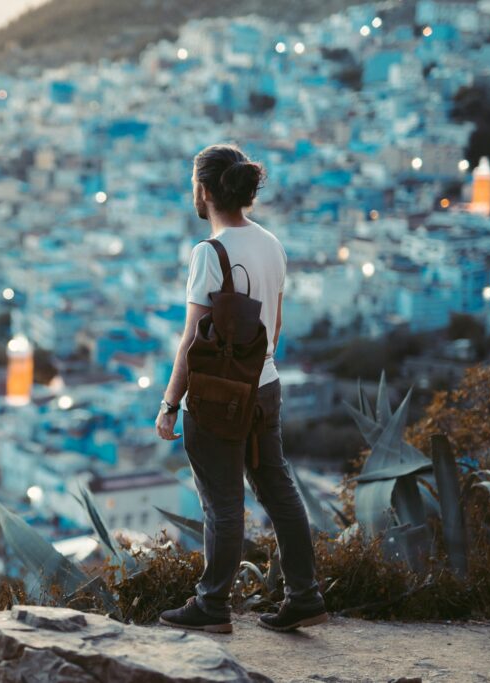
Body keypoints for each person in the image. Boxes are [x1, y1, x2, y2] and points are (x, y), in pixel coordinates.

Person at [155, 143, 327, 634]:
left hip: (216, 396)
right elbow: (274, 324)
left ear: (204, 190)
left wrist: (169, 404)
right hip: (265, 385)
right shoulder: (272, 244)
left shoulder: (209, 253)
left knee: (223, 504)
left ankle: (212, 606)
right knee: (278, 489)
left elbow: (192, 340)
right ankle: (305, 595)